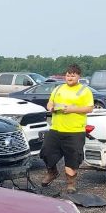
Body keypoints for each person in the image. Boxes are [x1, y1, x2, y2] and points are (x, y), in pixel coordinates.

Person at [41, 64, 94, 193]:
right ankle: (52, 173)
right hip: (56, 129)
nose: (70, 77)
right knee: (46, 153)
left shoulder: (84, 90)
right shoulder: (58, 88)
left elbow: (90, 108)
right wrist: (50, 107)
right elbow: (50, 102)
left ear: (78, 76)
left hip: (74, 131)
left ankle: (71, 184)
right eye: (68, 75)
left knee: (72, 160)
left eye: (73, 75)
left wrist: (72, 109)